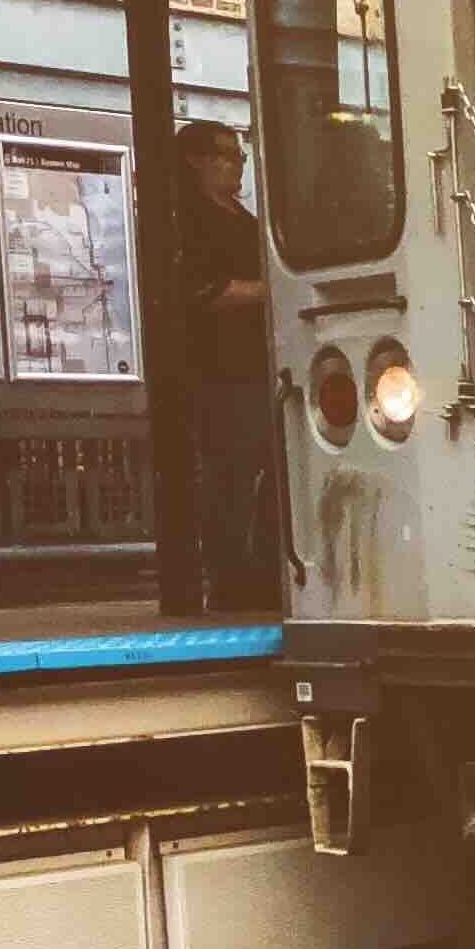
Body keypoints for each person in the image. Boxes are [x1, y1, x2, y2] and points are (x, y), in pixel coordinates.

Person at [175, 119, 279, 603]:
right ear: (196, 160)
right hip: (220, 366)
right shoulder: (189, 218)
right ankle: (231, 579)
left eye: (240, 155)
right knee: (231, 474)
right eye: (228, 154)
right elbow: (201, 291)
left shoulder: (236, 212)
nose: (238, 163)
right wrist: (270, 291)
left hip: (254, 362)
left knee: (257, 469)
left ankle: (255, 570)